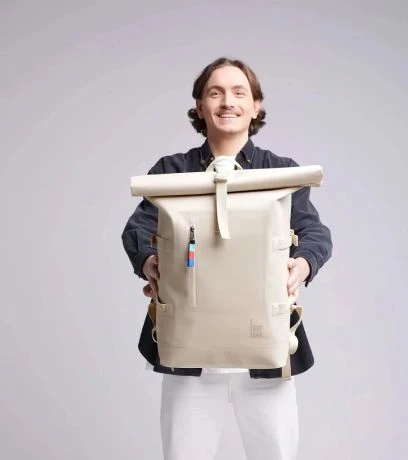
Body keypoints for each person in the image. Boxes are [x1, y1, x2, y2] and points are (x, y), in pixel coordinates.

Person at [122, 57, 332, 460]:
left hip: (266, 345)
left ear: (256, 106)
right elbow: (137, 230)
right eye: (215, 93)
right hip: (188, 350)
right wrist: (150, 262)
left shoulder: (282, 171)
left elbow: (315, 233)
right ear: (200, 106)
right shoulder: (171, 171)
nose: (227, 102)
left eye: (239, 92)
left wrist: (302, 264)